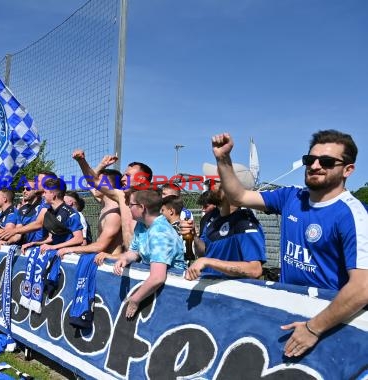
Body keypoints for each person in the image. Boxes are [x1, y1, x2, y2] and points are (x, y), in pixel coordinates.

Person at [211, 130, 368, 358]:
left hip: (328, 323)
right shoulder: (292, 197)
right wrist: (223, 160)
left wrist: (314, 328)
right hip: (289, 311)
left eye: (326, 162)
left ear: (348, 169)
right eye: (309, 160)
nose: (315, 166)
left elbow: (362, 288)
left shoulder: (354, 215)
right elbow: (240, 197)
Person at [182, 164, 266, 280]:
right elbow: (204, 253)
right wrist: (194, 237)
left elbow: (254, 270)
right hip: (209, 290)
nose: (207, 186)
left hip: (231, 295)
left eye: (212, 182)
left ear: (231, 188)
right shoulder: (211, 217)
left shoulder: (245, 222)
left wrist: (209, 262)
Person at [113, 190, 185, 319]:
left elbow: (158, 277)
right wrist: (125, 257)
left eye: (131, 205)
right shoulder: (142, 225)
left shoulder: (160, 232)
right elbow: (135, 251)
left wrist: (134, 300)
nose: (129, 208)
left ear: (142, 207)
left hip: (174, 294)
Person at [57, 169, 124, 264]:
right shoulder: (105, 204)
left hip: (111, 264)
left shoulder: (114, 212)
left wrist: (69, 249)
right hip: (102, 261)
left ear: (108, 186)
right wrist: (102, 165)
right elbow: (89, 182)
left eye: (98, 181)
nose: (94, 184)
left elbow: (100, 246)